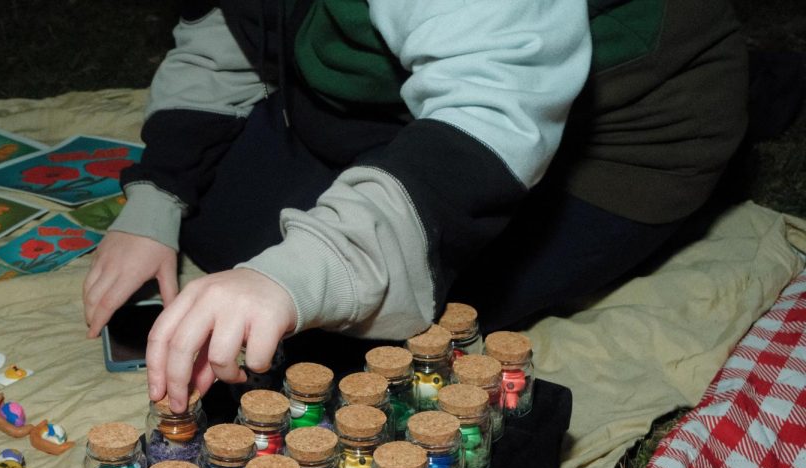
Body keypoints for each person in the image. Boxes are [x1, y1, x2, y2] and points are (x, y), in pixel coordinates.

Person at [82, 0, 748, 411]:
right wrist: (158, 193)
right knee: (234, 240)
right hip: (405, 95)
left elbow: (491, 117)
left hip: (610, 137)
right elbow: (228, 28)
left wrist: (298, 276)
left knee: (350, 334)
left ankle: (740, 96)